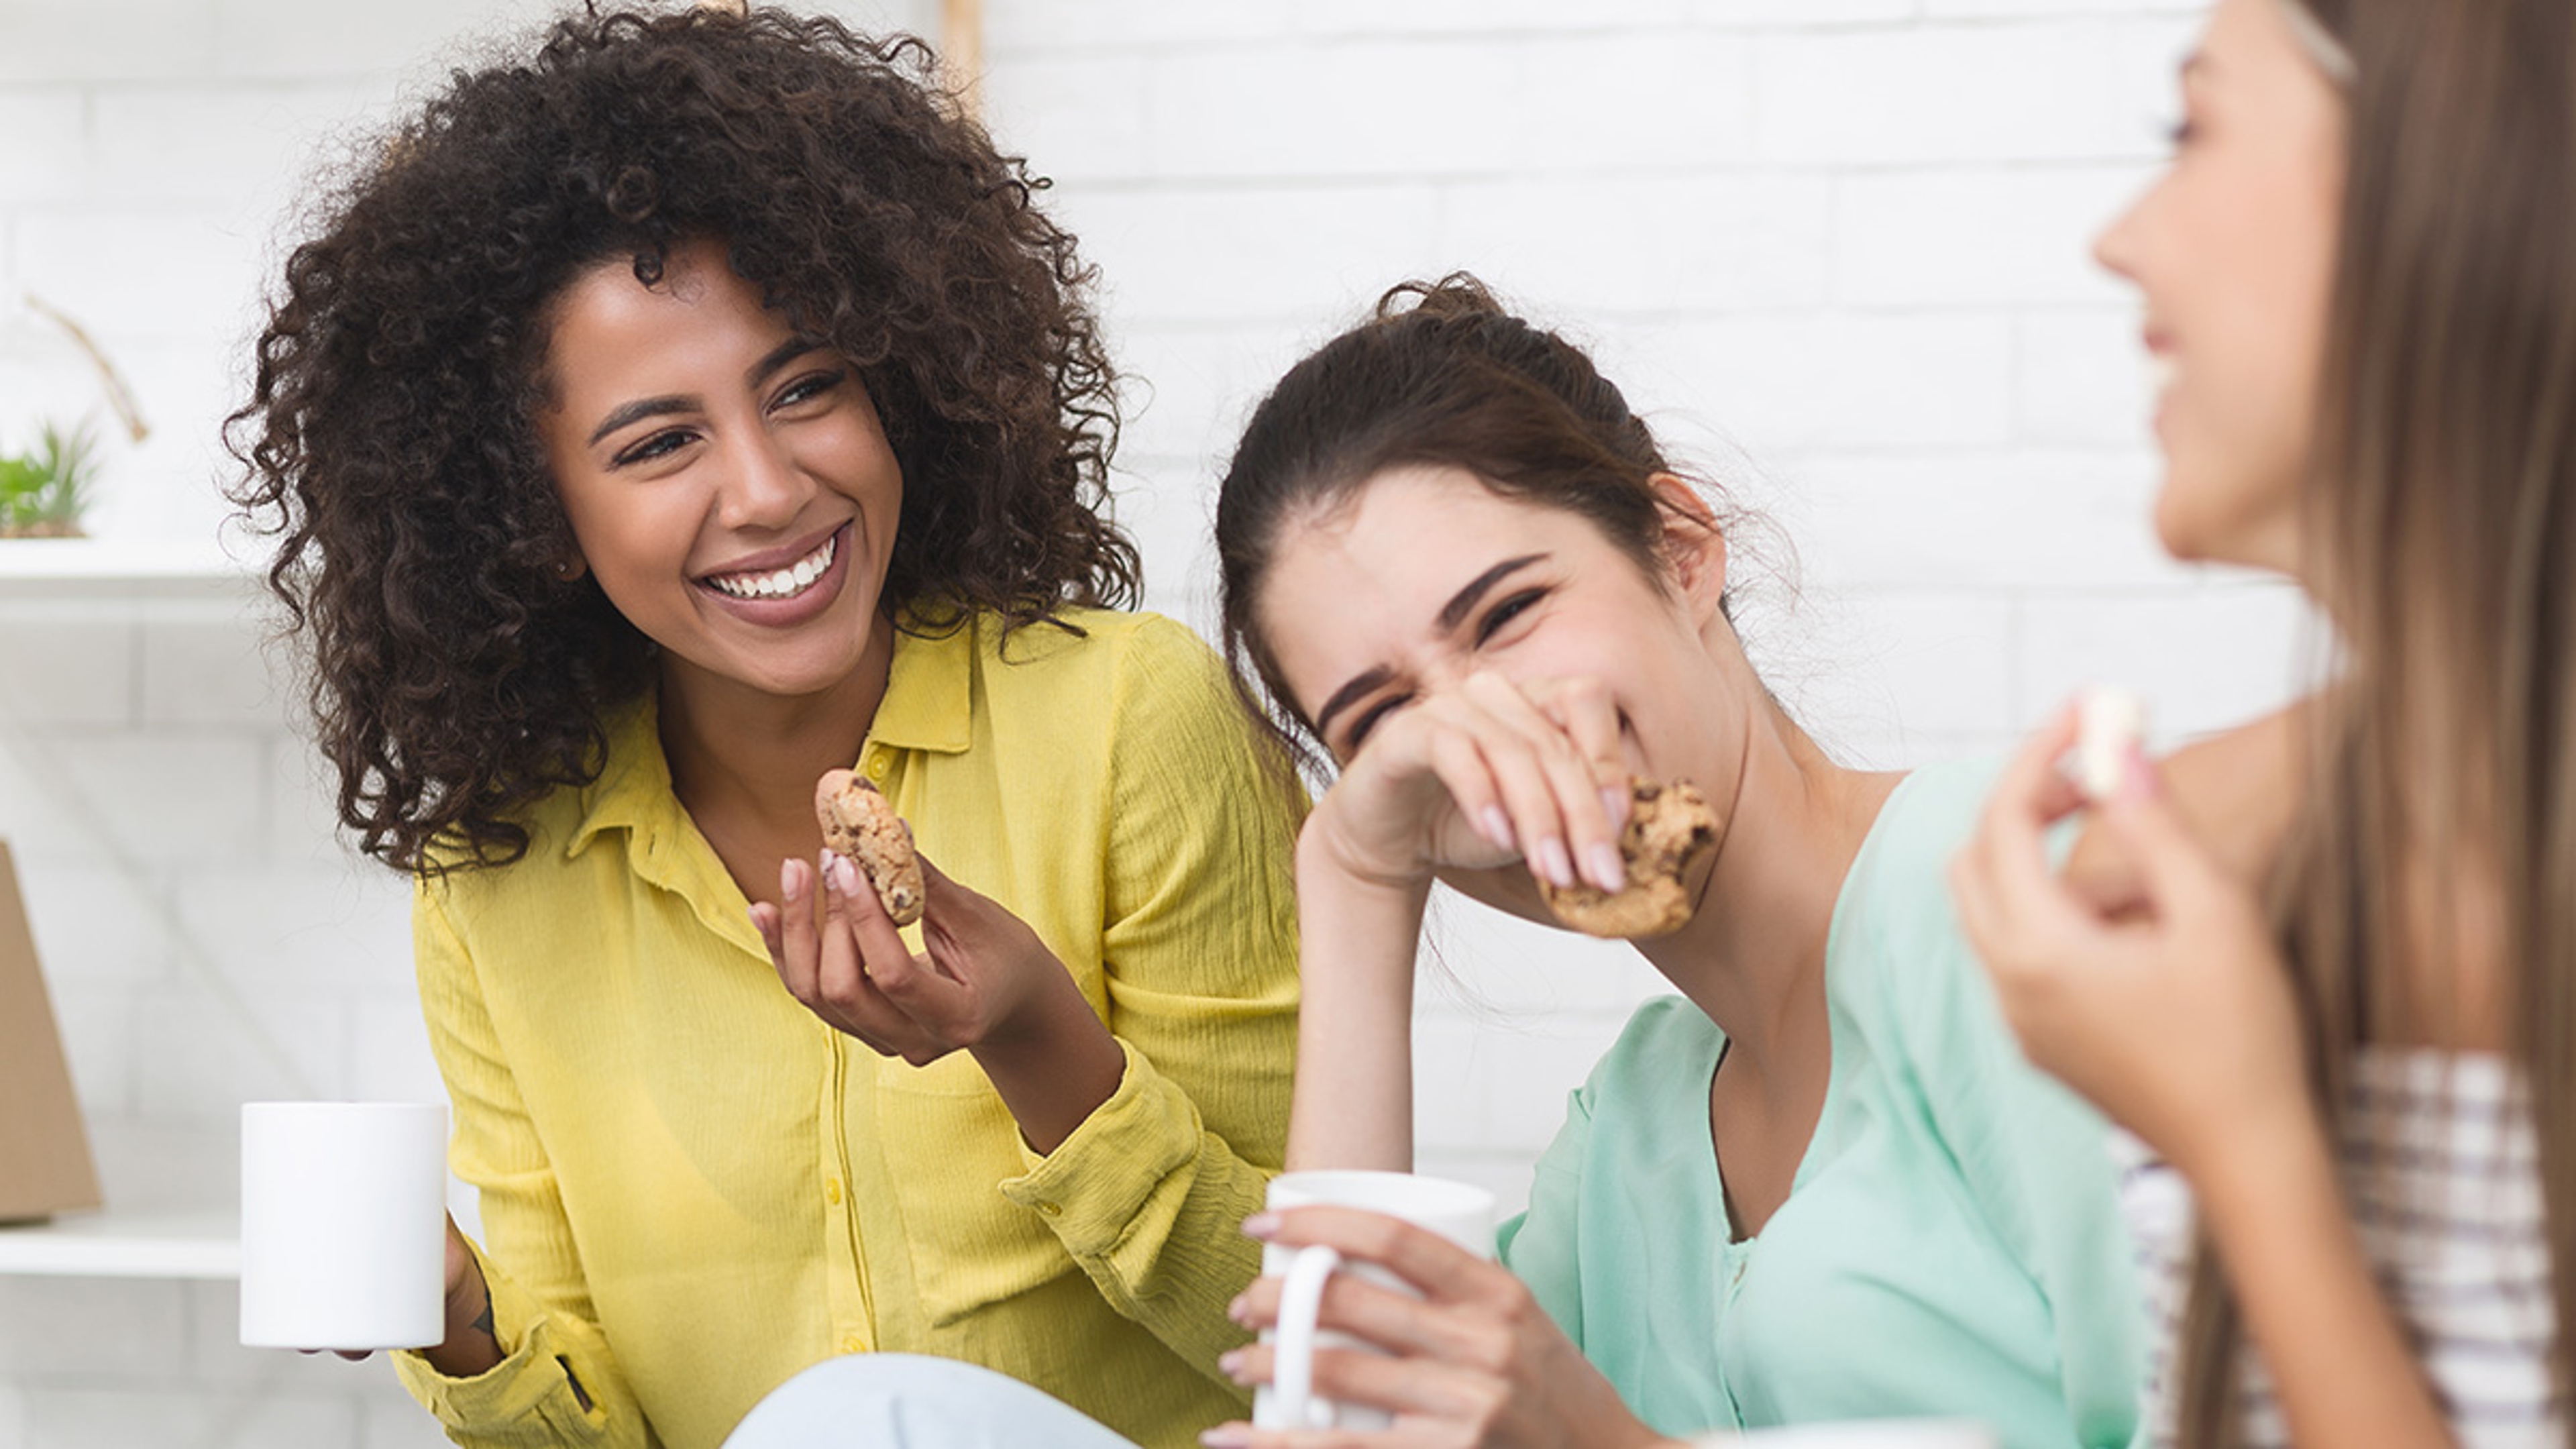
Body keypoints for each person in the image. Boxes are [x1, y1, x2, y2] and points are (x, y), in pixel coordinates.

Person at [224, 9, 1301, 1448]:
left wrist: (1041, 1042)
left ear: (899, 382)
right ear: (531, 515)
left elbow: (1309, 1345)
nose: (770, 488)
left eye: (807, 388)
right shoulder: (496, 880)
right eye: (660, 442)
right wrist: (465, 1326)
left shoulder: (1132, 720)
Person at [1195, 275, 2151, 1448]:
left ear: (1684, 552)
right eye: (1384, 723)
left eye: (1506, 616)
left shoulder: (2012, 905)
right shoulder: (1625, 1145)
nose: (1480, 737)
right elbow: (1338, 1426)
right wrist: (1351, 886)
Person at [1949, 0, 2575, 1443]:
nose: (2123, 239)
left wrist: (2243, 1141)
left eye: (2195, 127)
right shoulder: (2223, 851)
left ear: (2450, 183)